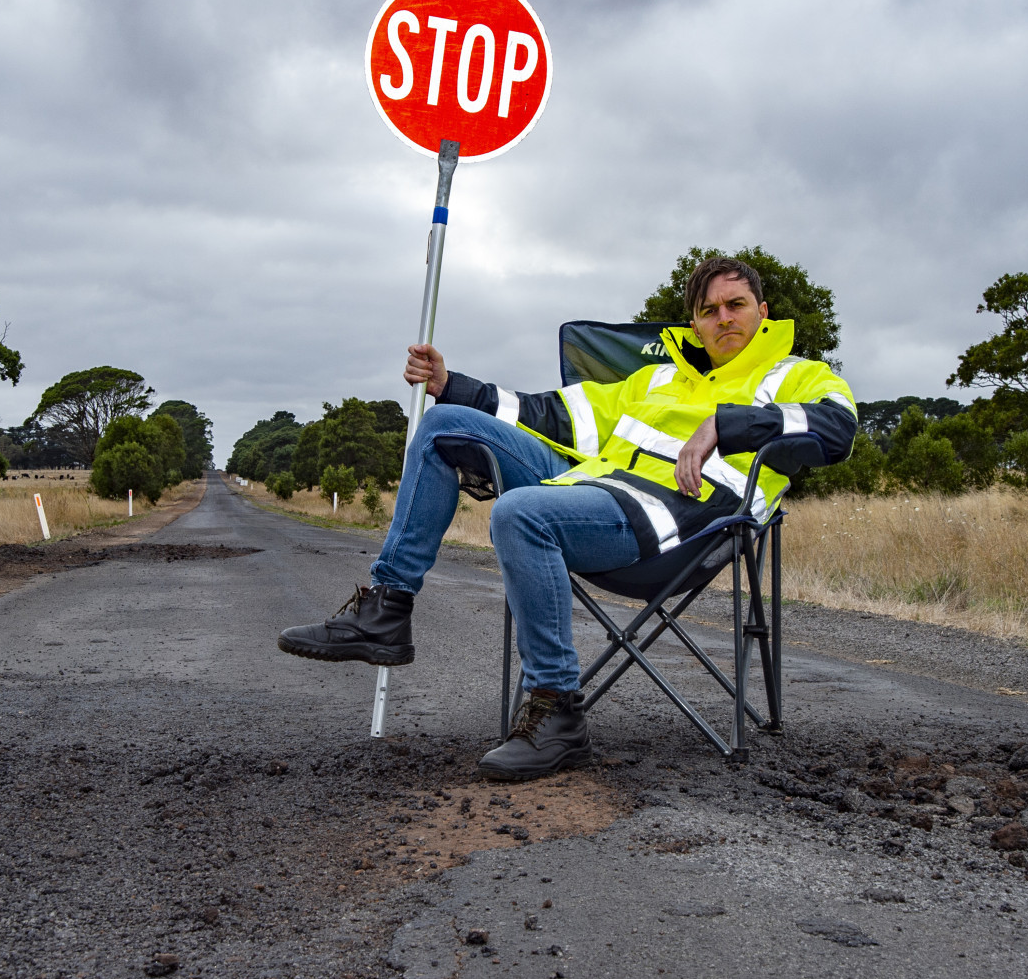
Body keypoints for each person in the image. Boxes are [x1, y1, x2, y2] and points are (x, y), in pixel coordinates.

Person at [278, 256, 857, 780]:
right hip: (589, 497)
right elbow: (549, 415)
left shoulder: (798, 375)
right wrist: (451, 385)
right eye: (709, 311)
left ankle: (557, 711)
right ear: (694, 322)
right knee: (441, 423)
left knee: (520, 513)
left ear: (762, 310)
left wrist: (726, 426)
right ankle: (387, 607)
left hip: (676, 530)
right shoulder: (654, 378)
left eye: (736, 305)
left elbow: (838, 431)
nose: (723, 319)